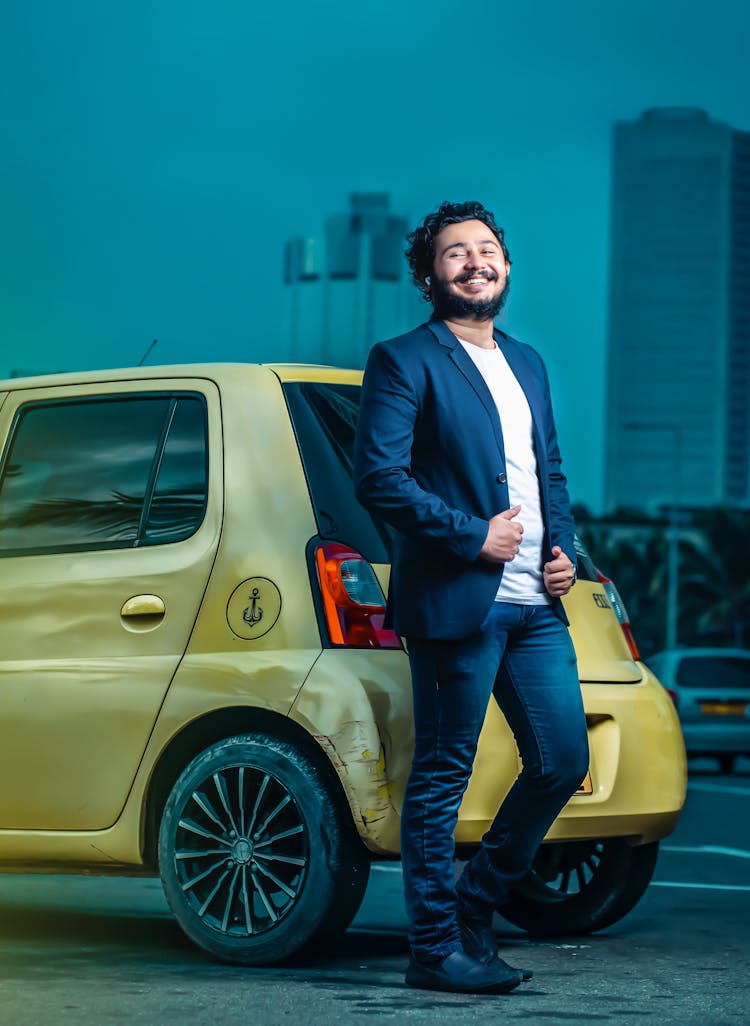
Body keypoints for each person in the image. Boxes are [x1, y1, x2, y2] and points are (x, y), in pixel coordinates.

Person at [353, 201, 589, 995]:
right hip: (460, 599)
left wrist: (565, 554)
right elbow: (379, 477)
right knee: (443, 774)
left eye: (487, 250)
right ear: (429, 277)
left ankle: (474, 905)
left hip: (535, 606)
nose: (475, 262)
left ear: (507, 267)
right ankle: (433, 948)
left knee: (562, 762)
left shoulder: (527, 363)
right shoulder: (403, 359)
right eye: (456, 254)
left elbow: (547, 473)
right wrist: (468, 536)